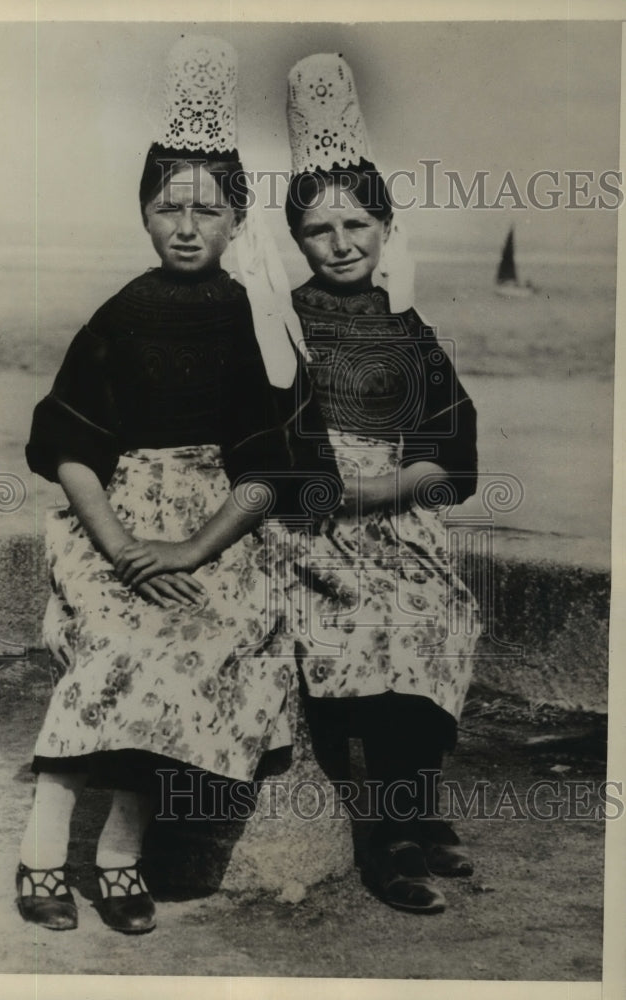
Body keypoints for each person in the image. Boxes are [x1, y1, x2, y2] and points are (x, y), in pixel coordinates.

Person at [16, 37, 338, 935]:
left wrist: (192, 548)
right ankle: (43, 847)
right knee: (118, 631)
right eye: (167, 208)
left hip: (219, 524)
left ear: (238, 218)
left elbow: (276, 469)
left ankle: (121, 851)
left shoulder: (258, 321)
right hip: (112, 515)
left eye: (208, 208)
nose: (187, 227)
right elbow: (70, 446)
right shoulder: (120, 315)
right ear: (144, 216)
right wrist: (120, 547)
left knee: (208, 628)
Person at [283, 54, 481, 915]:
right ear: (298, 239)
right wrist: (328, 496)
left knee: (434, 611)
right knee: (353, 621)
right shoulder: (281, 322)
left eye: (359, 224)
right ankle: (387, 838)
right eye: (322, 231)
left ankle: (410, 804)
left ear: (385, 226)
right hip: (307, 521)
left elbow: (452, 452)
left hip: (394, 512)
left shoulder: (409, 331)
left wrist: (385, 491)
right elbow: (261, 442)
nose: (342, 244)